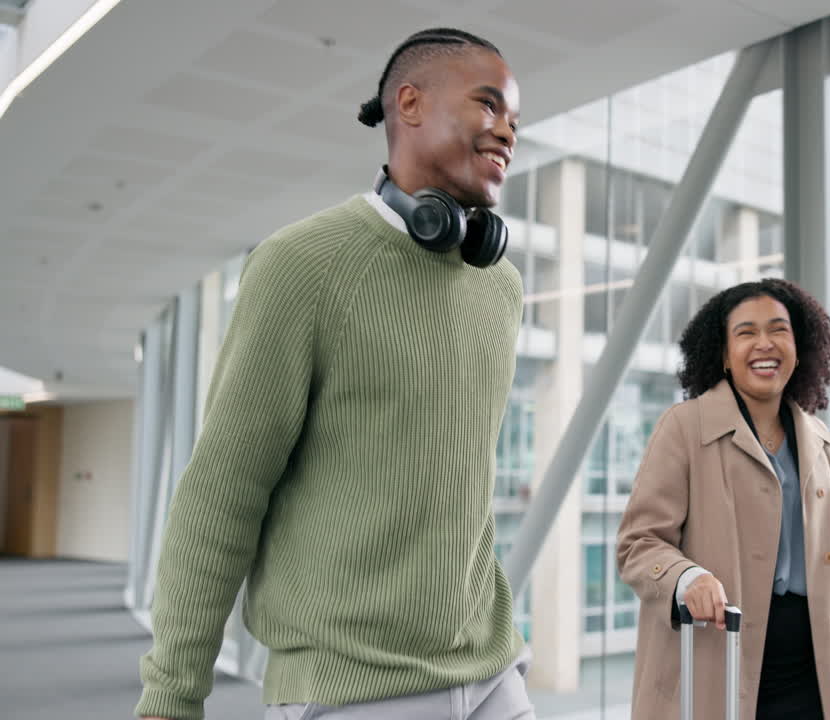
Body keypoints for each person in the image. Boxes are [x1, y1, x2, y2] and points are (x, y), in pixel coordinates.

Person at [136, 28, 535, 720]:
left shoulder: (499, 286)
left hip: (494, 677)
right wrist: (171, 696)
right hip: (349, 691)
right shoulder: (303, 267)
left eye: (515, 121)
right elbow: (223, 492)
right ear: (409, 104)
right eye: (489, 106)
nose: (506, 132)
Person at [616, 279, 830, 720]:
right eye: (745, 332)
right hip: (723, 667)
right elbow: (637, 544)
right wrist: (686, 577)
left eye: (779, 330)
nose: (764, 344)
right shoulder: (684, 428)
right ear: (723, 354)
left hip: (817, 678)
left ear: (800, 348)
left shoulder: (819, 440)